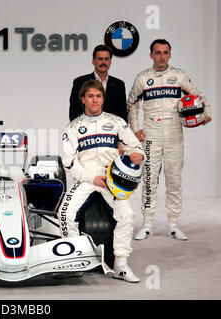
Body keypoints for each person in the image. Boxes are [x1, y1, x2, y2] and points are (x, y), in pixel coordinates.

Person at [59, 80, 145, 283]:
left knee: (127, 215)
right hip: (86, 177)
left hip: (112, 179)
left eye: (98, 96)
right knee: (65, 213)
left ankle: (121, 265)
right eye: (90, 96)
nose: (94, 100)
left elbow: (135, 146)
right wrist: (92, 178)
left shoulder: (116, 122)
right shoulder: (73, 127)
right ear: (83, 99)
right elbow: (68, 162)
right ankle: (74, 260)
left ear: (103, 99)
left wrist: (138, 154)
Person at [127, 39, 212, 241]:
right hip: (151, 134)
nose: (162, 56)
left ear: (170, 55)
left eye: (165, 52)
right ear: (151, 55)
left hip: (174, 133)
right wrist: (135, 129)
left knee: (174, 181)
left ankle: (173, 225)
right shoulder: (142, 78)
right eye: (158, 52)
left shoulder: (179, 76)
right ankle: (147, 224)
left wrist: (205, 113)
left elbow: (198, 95)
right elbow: (131, 104)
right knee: (149, 180)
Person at [69, 44, 128, 122]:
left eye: (106, 59)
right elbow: (74, 112)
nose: (103, 62)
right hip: (86, 131)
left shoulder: (119, 84)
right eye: (100, 59)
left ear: (110, 62)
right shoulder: (80, 82)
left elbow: (122, 114)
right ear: (93, 61)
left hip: (111, 132)